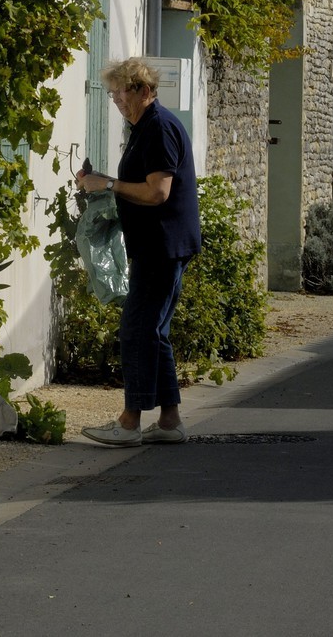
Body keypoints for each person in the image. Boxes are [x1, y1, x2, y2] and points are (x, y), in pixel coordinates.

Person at [75, 57, 201, 446]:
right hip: (160, 243)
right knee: (153, 330)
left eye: (120, 92)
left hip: (163, 245)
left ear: (144, 91)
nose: (115, 100)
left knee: (137, 329)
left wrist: (108, 185)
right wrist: (102, 183)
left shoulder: (158, 127)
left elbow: (157, 192)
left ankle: (129, 423)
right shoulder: (146, 126)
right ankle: (169, 421)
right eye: (112, 93)